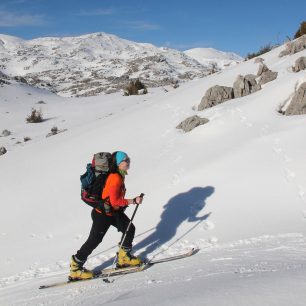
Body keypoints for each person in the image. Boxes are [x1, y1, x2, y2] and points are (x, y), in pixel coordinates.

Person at [70, 151, 143, 280]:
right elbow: (114, 201)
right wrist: (133, 201)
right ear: (119, 163)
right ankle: (76, 267)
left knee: (129, 228)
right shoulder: (115, 177)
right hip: (102, 215)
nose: (129, 162)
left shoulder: (119, 175)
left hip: (111, 212)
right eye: (126, 160)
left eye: (128, 159)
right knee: (94, 240)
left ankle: (124, 258)